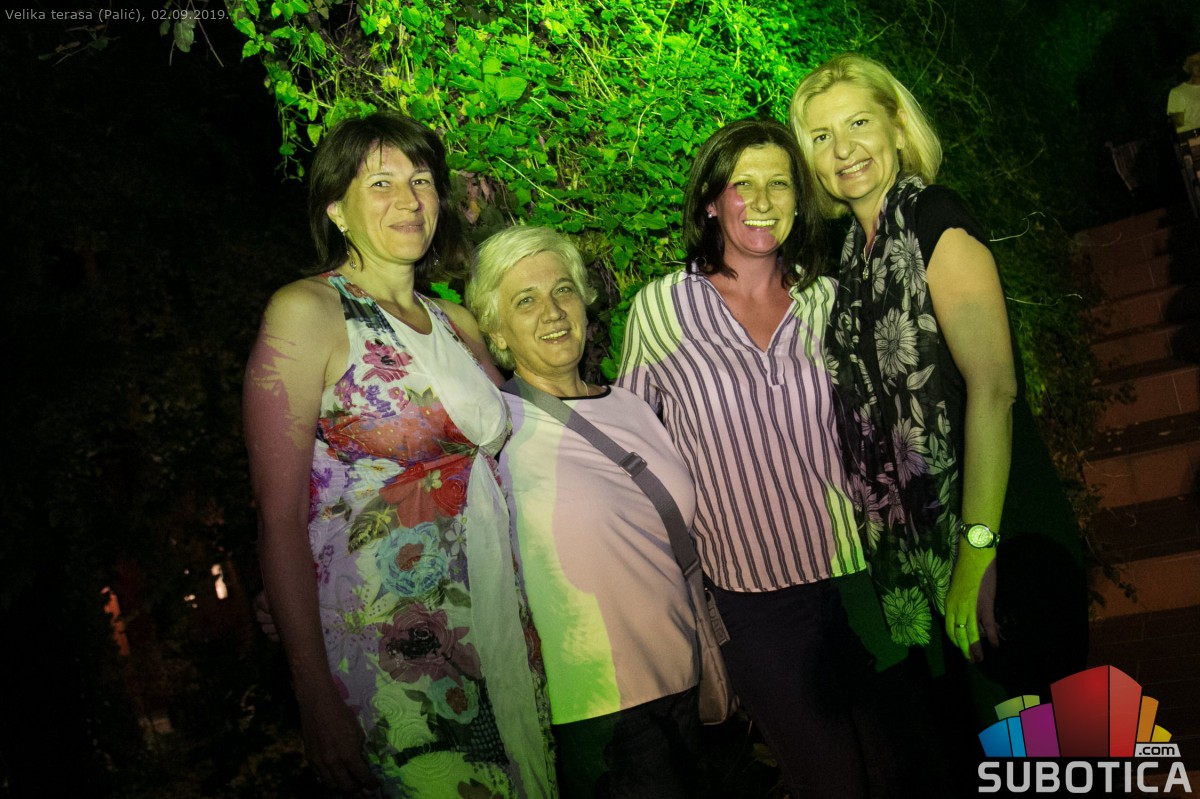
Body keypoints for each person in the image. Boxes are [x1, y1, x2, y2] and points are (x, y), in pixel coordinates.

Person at [790, 52, 1088, 788]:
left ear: (898, 126)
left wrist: (977, 551)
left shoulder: (934, 219)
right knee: (984, 757)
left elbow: (994, 389)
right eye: (822, 137)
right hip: (920, 555)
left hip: (1000, 533)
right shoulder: (847, 260)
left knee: (1031, 758)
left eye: (859, 123)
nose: (844, 149)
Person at [243, 111, 555, 797]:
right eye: (380, 183)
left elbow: (522, 460)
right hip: (391, 654)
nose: (410, 200)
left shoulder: (457, 321)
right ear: (337, 209)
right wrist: (313, 694)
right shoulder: (307, 313)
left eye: (421, 180)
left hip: (501, 626)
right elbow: (279, 518)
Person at [616, 119, 895, 799]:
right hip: (753, 599)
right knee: (830, 780)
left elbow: (880, 434)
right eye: (744, 184)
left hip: (859, 580)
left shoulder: (829, 301)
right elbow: (633, 454)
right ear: (713, 200)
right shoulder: (661, 309)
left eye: (780, 184)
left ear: (801, 200)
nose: (763, 201)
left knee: (899, 772)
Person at [465, 226, 701, 798]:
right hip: (597, 708)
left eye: (563, 290)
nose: (552, 312)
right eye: (525, 300)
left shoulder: (633, 407)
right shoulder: (494, 431)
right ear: (496, 330)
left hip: (685, 682)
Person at [1168, 52, 1200, 135]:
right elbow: (1179, 123)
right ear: (1188, 66)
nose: (1199, 65)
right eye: (1195, 62)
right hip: (1193, 137)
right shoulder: (1178, 92)